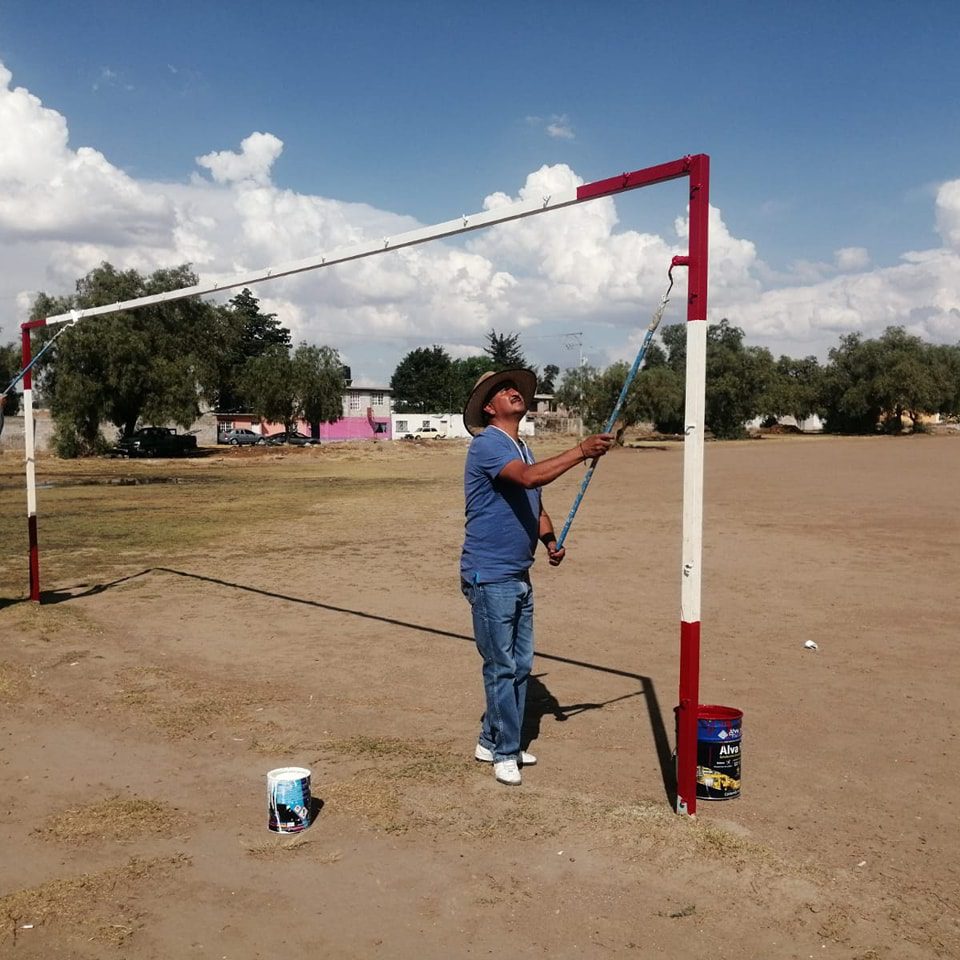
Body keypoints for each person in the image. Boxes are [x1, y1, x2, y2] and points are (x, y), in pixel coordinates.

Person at [460, 368, 613, 786]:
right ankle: (505, 751)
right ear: (489, 408)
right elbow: (529, 479)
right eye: (501, 391)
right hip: (489, 575)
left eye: (514, 388)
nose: (512, 392)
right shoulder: (488, 445)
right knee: (501, 666)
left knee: (520, 663)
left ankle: (492, 739)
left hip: (517, 574)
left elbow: (534, 500)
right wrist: (581, 450)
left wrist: (548, 539)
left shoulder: (522, 448)